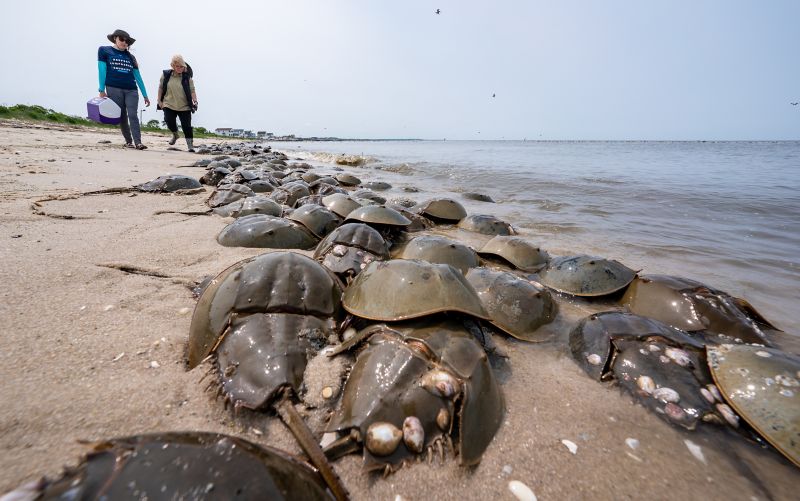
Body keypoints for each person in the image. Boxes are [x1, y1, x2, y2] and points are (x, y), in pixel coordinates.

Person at [97, 29, 151, 149]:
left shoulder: (131, 57)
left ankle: (138, 142)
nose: (124, 42)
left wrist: (145, 95)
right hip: (113, 87)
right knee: (122, 116)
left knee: (133, 115)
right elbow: (102, 69)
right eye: (122, 39)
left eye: (127, 41)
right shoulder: (104, 50)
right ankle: (129, 141)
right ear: (115, 38)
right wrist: (101, 90)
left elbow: (138, 77)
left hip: (131, 89)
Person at [157, 55, 198, 152]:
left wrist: (195, 101)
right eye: (177, 66)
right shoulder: (166, 75)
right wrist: (159, 101)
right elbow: (161, 88)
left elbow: (192, 91)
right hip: (169, 103)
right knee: (169, 120)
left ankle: (190, 146)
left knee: (186, 126)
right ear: (173, 66)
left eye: (181, 66)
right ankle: (175, 135)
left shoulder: (187, 78)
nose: (179, 68)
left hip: (184, 105)